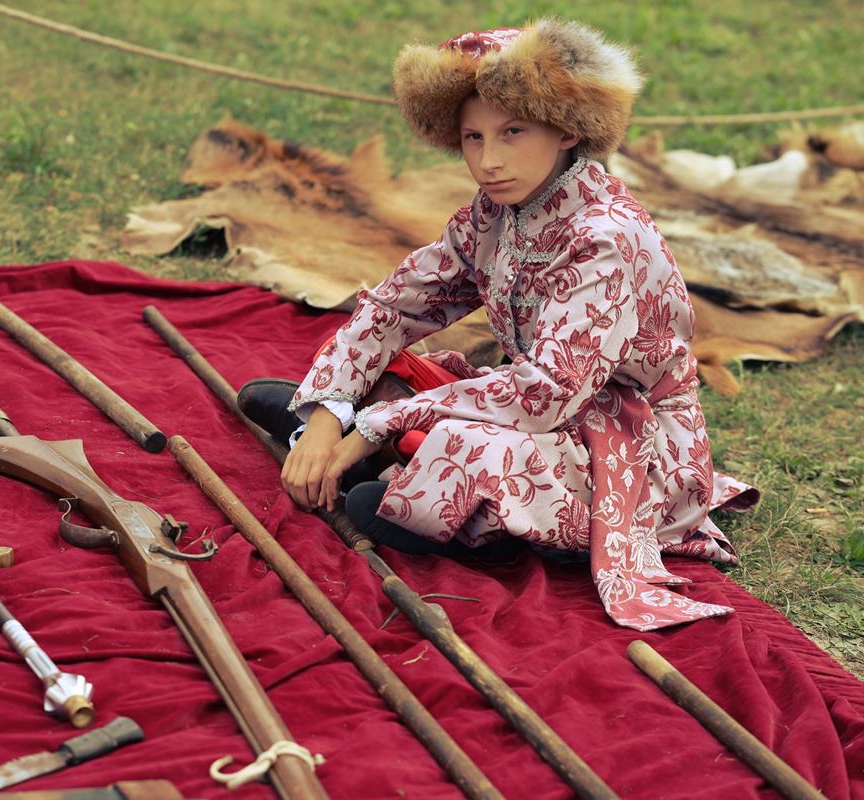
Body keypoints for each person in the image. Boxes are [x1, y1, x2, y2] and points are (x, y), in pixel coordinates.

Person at [238, 20, 757, 631]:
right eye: (473, 137)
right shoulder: (494, 214)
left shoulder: (606, 239)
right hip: (535, 408)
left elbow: (547, 392)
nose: (488, 160)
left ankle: (423, 491)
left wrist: (378, 423)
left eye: (513, 132)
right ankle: (347, 447)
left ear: (567, 127)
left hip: (627, 444)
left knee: (470, 450)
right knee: (382, 368)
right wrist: (329, 416)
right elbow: (396, 306)